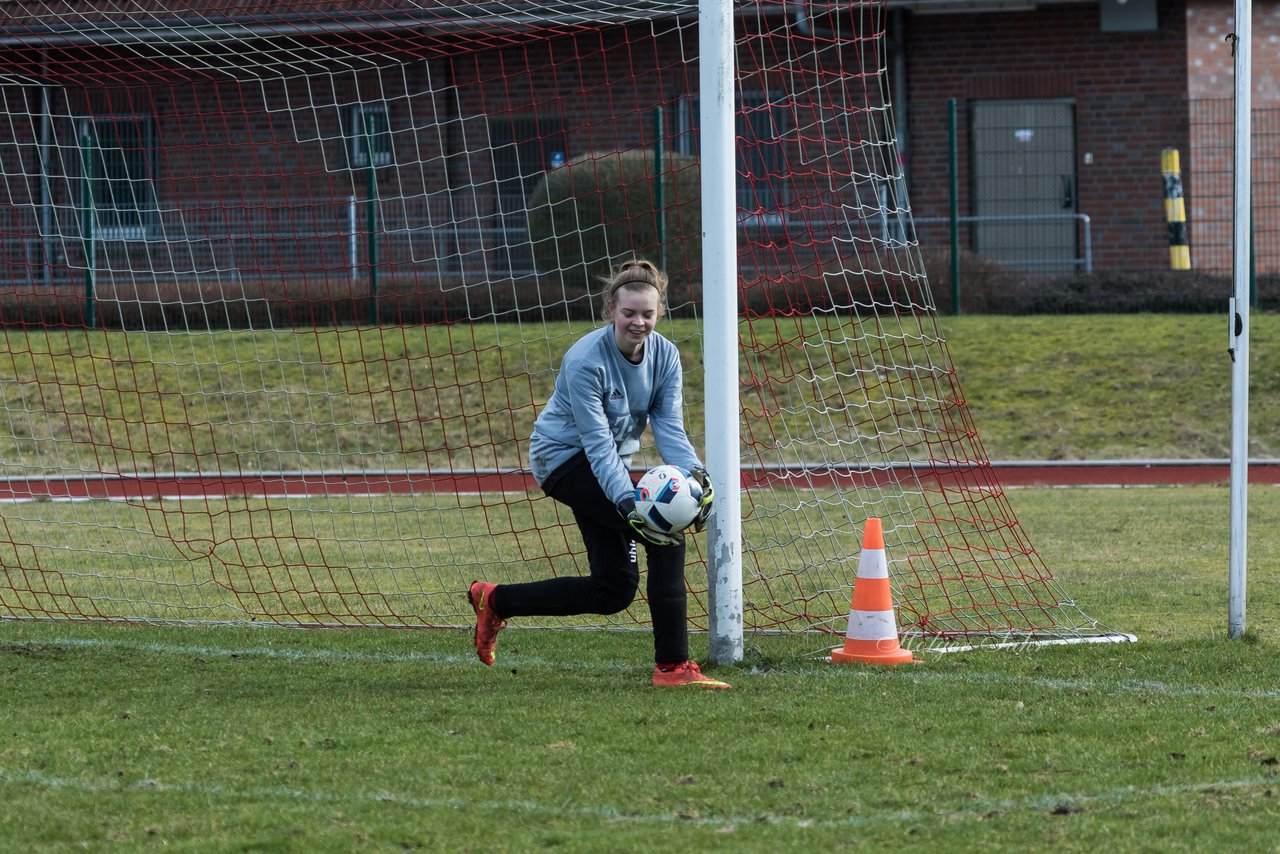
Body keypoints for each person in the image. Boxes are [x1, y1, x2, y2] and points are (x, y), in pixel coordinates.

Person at [467, 258, 729, 689]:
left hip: (607, 465)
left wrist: (697, 478)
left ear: (659, 312)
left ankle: (495, 600)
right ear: (611, 309)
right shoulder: (585, 360)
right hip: (563, 461)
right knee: (664, 536)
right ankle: (673, 668)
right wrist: (628, 504)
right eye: (629, 313)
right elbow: (596, 445)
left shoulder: (665, 356)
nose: (638, 322)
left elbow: (669, 428)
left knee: (613, 590)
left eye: (648, 313)